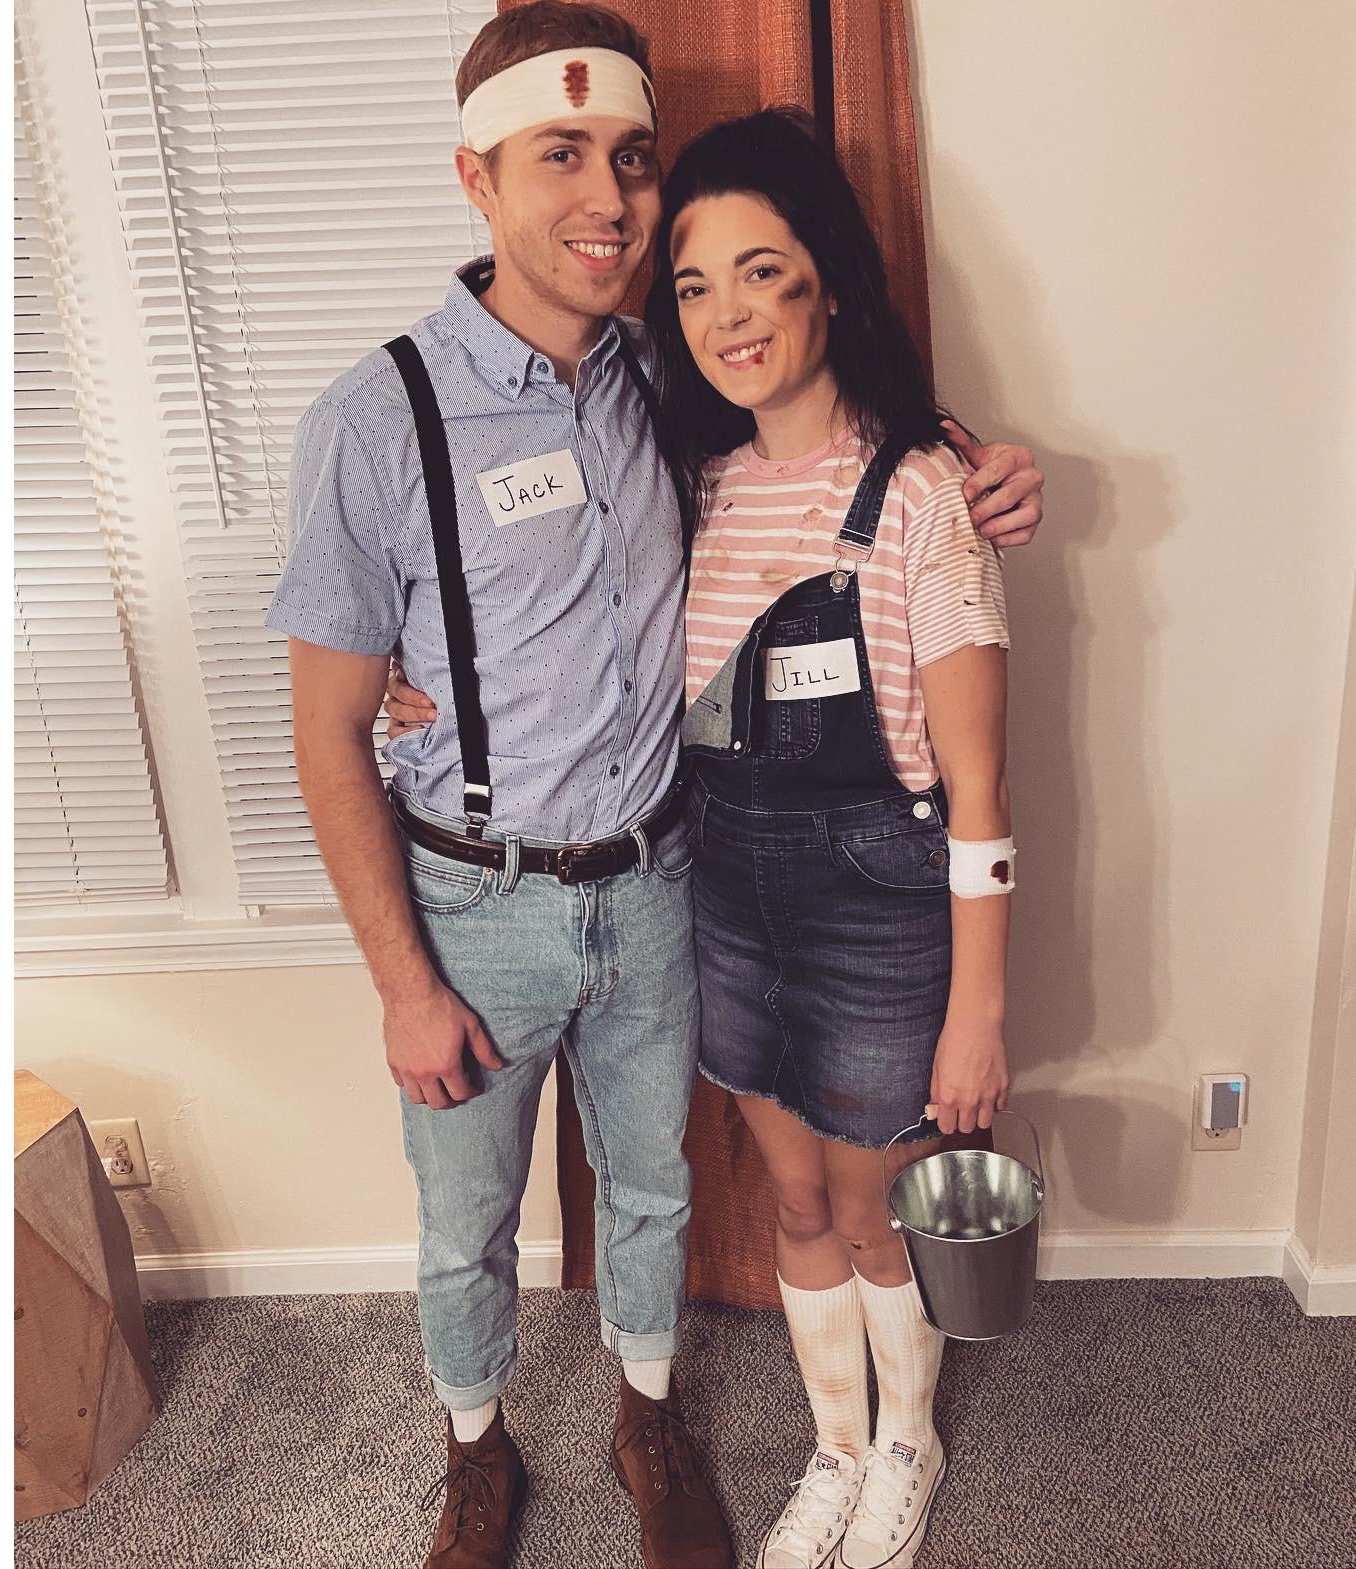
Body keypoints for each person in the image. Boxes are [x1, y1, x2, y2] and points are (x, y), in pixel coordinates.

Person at [270, 6, 1042, 1568]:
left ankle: (650, 1417)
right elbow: (326, 727)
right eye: (559, 155)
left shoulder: (659, 380)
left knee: (653, 1193)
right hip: (474, 905)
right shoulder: (372, 421)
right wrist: (403, 982)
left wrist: (981, 467)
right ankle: (473, 1451)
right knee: (463, 1215)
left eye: (630, 158)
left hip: (663, 887)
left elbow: (850, 448)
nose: (608, 199)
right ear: (476, 175)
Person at [644, 109, 1014, 1569]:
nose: (726, 315)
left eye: (762, 272)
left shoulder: (925, 494)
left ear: (831, 283)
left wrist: (977, 1012)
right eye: (694, 285)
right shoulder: (695, 488)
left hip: (879, 910)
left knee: (869, 1211)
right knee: (792, 1197)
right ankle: (837, 1448)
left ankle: (907, 1446)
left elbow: (979, 791)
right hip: (726, 899)